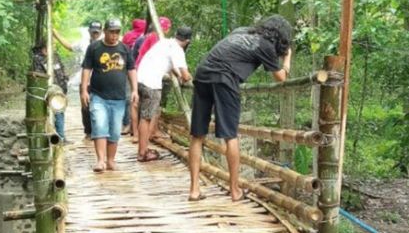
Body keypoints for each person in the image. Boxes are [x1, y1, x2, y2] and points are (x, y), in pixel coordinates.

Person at [188, 15, 293, 202]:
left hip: (202, 74)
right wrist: (287, 59)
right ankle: (235, 190)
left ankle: (194, 190)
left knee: (197, 135)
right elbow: (281, 77)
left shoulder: (241, 31)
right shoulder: (266, 46)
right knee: (231, 135)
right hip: (224, 79)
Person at [81, 18, 138, 172]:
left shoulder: (124, 49)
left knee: (114, 130)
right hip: (98, 95)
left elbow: (132, 69)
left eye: (117, 32)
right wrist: (84, 90)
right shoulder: (94, 48)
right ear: (104, 31)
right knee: (99, 125)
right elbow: (86, 68)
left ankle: (111, 160)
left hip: (118, 97)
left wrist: (134, 90)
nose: (114, 35)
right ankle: (100, 161)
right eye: (111, 32)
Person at [136, 27, 193, 162]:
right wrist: (188, 77)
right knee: (146, 118)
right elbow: (185, 75)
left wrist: (177, 74)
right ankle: (142, 152)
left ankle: (143, 149)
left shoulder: (165, 42)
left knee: (144, 117)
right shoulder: (178, 50)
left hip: (141, 79)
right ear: (188, 41)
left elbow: (172, 65)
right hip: (151, 83)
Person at [31, 43, 69, 142]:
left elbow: (61, 70)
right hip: (47, 90)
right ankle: (55, 137)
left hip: (60, 89)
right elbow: (38, 75)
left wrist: (65, 81)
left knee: (60, 111)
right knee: (52, 113)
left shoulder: (55, 56)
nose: (53, 48)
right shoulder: (38, 59)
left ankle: (61, 137)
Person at [81, 21, 103, 140]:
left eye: (97, 32)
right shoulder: (82, 43)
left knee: (99, 106)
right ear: (89, 31)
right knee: (85, 107)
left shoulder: (104, 44)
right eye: (93, 31)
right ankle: (88, 131)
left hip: (99, 81)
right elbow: (69, 47)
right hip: (86, 80)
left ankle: (99, 130)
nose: (95, 34)